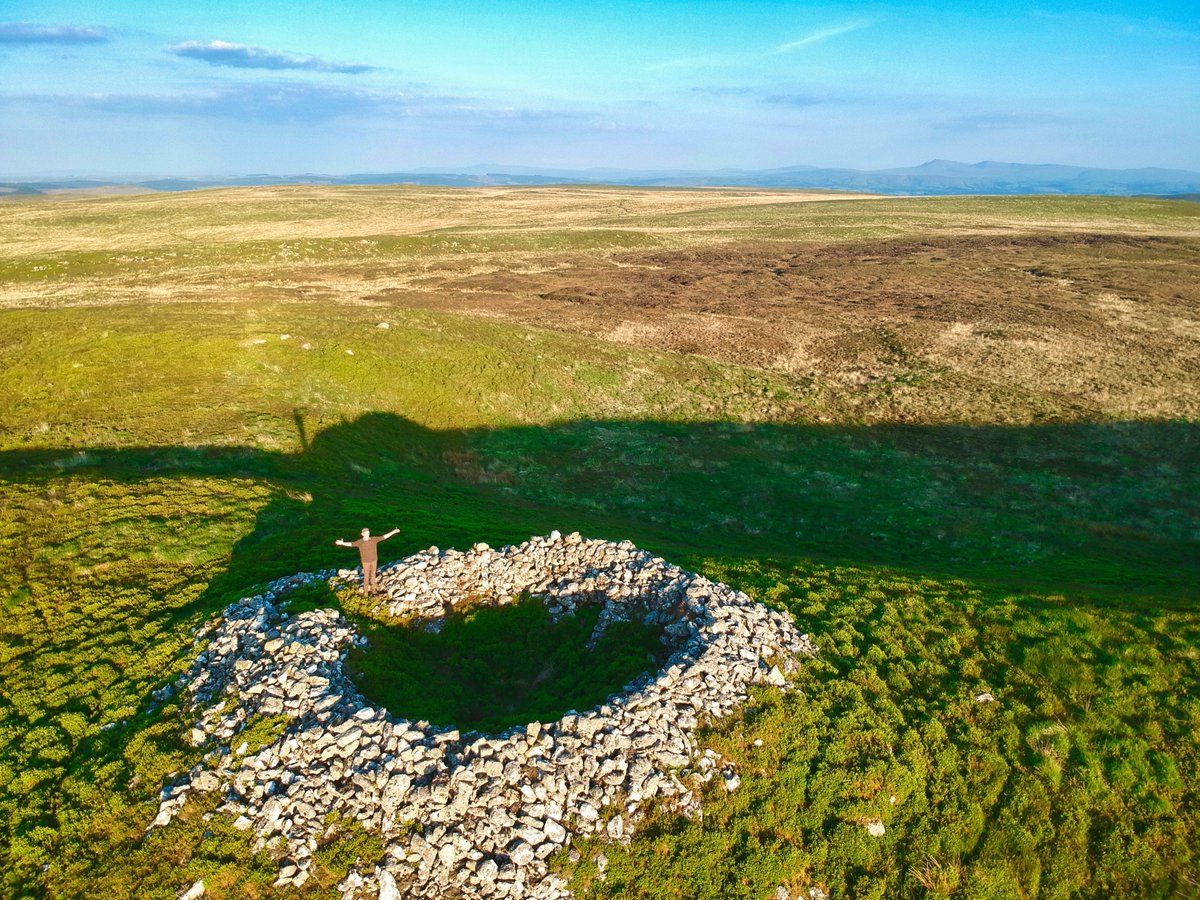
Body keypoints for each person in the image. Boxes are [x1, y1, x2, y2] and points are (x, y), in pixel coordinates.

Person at [334, 527, 399, 594]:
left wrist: (393, 532)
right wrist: (342, 543)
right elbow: (351, 544)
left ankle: (374, 591)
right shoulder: (360, 542)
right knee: (366, 576)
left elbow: (384, 537)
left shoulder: (374, 539)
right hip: (365, 562)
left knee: (373, 575)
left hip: (374, 560)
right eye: (365, 533)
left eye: (368, 532)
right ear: (362, 534)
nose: (367, 534)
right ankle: (366, 592)